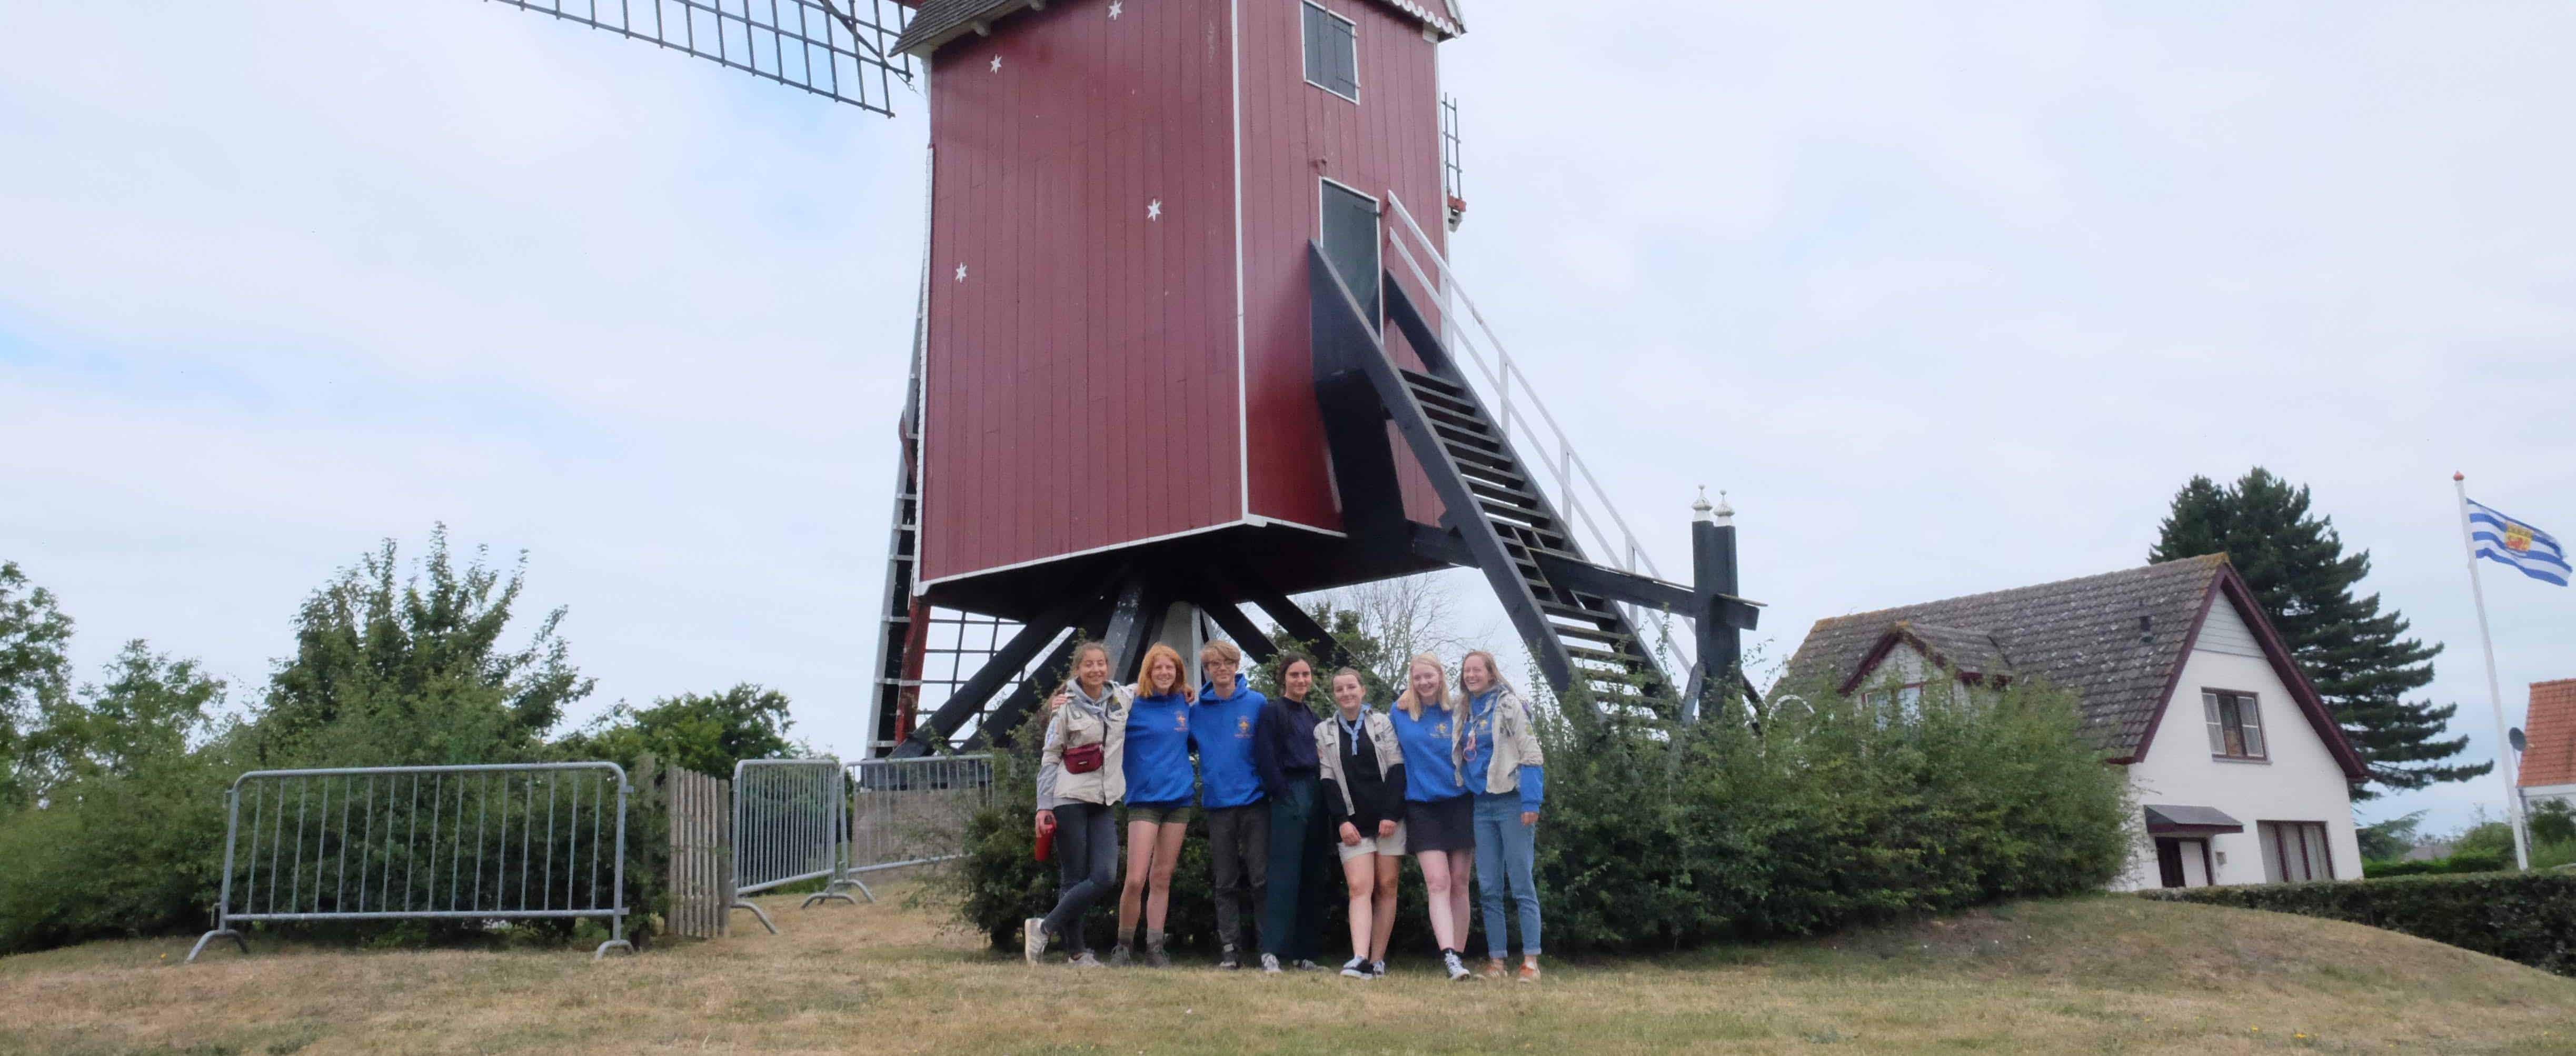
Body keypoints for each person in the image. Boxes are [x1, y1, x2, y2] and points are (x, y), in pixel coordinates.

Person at [1026, 641, 1130, 967]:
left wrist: (1185, 689)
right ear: (1078, 670)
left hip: (1104, 798)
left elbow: (1158, 680)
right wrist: (1044, 806)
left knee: (1104, 875)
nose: (1096, 670)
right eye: (1089, 665)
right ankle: (1077, 953)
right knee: (1073, 878)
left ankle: (1043, 928)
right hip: (1069, 797)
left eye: (1101, 663)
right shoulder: (1064, 708)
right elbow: (1050, 755)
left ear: (1108, 667)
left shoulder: (1122, 698)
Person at [1456, 650, 1545, 983]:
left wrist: (1531, 802)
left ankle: (1531, 961)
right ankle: (1496, 961)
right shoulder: (1464, 709)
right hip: (1481, 804)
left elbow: (1532, 753)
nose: (1471, 675)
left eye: (1477, 670)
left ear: (1492, 673)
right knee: (1490, 886)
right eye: (1467, 671)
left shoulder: (1510, 705)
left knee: (1521, 882)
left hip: (1512, 801)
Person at [1389, 652, 1477, 981]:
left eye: (1430, 676)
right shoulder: (1399, 713)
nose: (1424, 682)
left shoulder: (1458, 710)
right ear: (1411, 680)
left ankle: (1461, 954)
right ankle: (1449, 957)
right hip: (1421, 806)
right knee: (1437, 882)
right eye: (1418, 678)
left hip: (1459, 803)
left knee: (1459, 883)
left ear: (1440, 676)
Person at [1314, 666, 1405, 980]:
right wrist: (1341, 820)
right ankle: (1359, 958)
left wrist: (1391, 815)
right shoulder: (1324, 731)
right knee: (1358, 887)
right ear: (1334, 694)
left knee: (1387, 886)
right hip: (1352, 823)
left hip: (1388, 820)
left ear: (1362, 690)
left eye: (1351, 687)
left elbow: (1397, 769)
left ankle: (1378, 960)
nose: (1346, 694)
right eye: (1339, 689)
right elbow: (1327, 781)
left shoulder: (1382, 723)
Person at [1109, 642, 1196, 967]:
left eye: (1170, 668)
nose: (1164, 673)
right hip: (1143, 799)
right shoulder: (1132, 702)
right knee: (1135, 879)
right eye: (1158, 668)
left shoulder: (1185, 703)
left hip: (1179, 799)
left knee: (1162, 878)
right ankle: (1124, 945)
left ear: (1178, 673)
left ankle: (1155, 947)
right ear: (1148, 671)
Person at [1254, 652, 1333, 974]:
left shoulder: (1313, 715)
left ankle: (1305, 953)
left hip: (1316, 793)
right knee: (1284, 875)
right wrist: (1283, 795)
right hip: (1289, 792)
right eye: (1294, 675)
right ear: (1283, 678)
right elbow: (1265, 756)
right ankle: (1272, 950)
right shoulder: (1273, 711)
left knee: (1314, 875)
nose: (1301, 680)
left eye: (1306, 675)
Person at [1192, 639, 1269, 969]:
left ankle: (1269, 947)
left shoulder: (1258, 703)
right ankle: (1230, 948)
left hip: (1255, 802)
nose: (1221, 669)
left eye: (1227, 663)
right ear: (1207, 670)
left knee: (1261, 879)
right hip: (1218, 805)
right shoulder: (1195, 711)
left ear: (1237, 666)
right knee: (1225, 882)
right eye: (1213, 665)